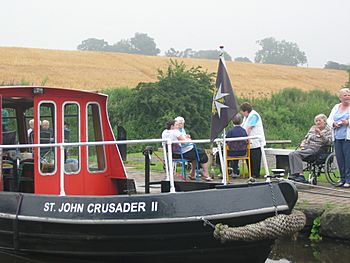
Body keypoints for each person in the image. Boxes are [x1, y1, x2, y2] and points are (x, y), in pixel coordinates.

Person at [288, 114, 332, 183]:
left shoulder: (328, 130)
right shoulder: (313, 128)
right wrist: (302, 143)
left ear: (324, 121)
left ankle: (301, 175)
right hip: (307, 148)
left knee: (296, 154)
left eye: (319, 120)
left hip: (317, 149)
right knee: (291, 154)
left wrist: (320, 134)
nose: (317, 122)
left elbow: (329, 142)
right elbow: (306, 138)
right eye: (316, 121)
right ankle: (295, 174)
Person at [327, 88, 350, 188]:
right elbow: (329, 119)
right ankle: (342, 178)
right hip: (337, 137)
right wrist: (333, 123)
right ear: (340, 97)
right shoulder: (336, 107)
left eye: (349, 95)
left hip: (347, 138)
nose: (347, 97)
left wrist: (348, 122)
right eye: (345, 95)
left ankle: (348, 180)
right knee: (340, 159)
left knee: (348, 159)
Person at [240, 102, 266, 178]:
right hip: (250, 143)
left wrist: (246, 137)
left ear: (246, 111)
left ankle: (255, 174)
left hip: (256, 142)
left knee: (255, 159)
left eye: (242, 112)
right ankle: (251, 173)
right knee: (249, 158)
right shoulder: (246, 117)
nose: (242, 114)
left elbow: (249, 128)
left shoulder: (254, 115)